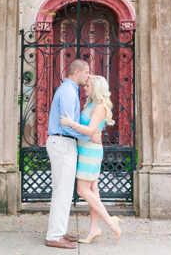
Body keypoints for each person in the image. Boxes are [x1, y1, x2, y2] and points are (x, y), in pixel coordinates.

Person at [45, 59, 102, 249]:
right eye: (87, 72)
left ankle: (58, 231)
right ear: (77, 72)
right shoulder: (69, 92)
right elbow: (66, 126)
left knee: (63, 191)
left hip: (63, 143)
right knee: (62, 191)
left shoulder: (68, 90)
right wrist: (89, 136)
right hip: (62, 142)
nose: (88, 76)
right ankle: (54, 236)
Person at [60, 75, 123, 244]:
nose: (85, 87)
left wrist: (70, 123)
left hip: (90, 152)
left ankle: (111, 222)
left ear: (96, 88)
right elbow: (91, 131)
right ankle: (94, 229)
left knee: (82, 190)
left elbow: (90, 130)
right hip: (85, 149)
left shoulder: (100, 107)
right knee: (93, 191)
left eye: (88, 86)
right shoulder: (92, 104)